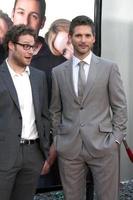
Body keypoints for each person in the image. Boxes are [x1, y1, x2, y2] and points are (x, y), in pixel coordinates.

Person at [11, 1, 94, 198]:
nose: (26, 20)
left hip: (46, 152)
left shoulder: (58, 62)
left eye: (34, 16)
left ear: (42, 22)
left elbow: (66, 114)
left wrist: (50, 155)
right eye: (21, 13)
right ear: (13, 14)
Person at [49, 15, 128, 200]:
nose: (83, 40)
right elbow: (55, 109)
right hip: (69, 148)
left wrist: (116, 139)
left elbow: (120, 107)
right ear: (71, 38)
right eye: (78, 35)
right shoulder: (58, 72)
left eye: (87, 35)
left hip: (104, 146)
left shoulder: (109, 68)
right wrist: (59, 139)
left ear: (93, 38)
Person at [0, 24, 50, 200]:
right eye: (26, 46)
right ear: (11, 45)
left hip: (33, 154)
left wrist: (44, 153)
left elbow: (44, 116)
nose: (30, 51)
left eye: (33, 47)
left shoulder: (39, 77)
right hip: (4, 154)